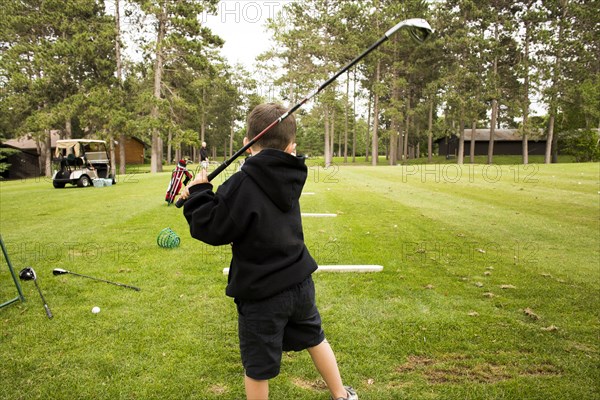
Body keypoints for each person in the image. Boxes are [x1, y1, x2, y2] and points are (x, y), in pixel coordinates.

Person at [180, 103, 357, 400]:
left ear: (247, 145)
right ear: (292, 147)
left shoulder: (240, 184)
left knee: (258, 366)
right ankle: (341, 394)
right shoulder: (292, 174)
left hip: (262, 293)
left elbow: (212, 228)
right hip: (300, 282)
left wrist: (198, 194)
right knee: (315, 338)